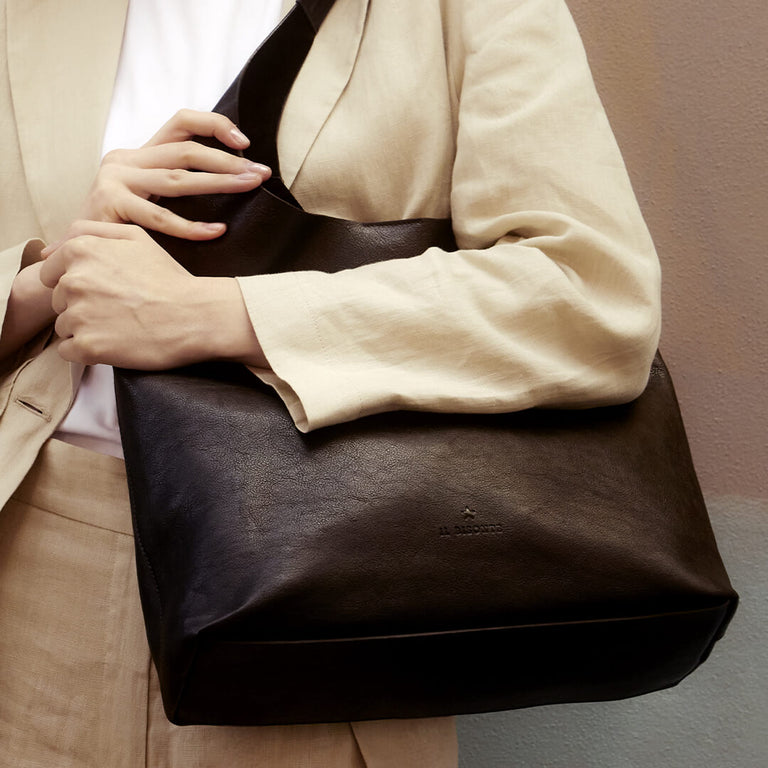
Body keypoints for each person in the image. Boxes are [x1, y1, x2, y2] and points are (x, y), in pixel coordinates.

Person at [0, 0, 660, 765]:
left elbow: (591, 297)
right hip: (35, 558)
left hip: (314, 577)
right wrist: (48, 275)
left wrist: (224, 315)